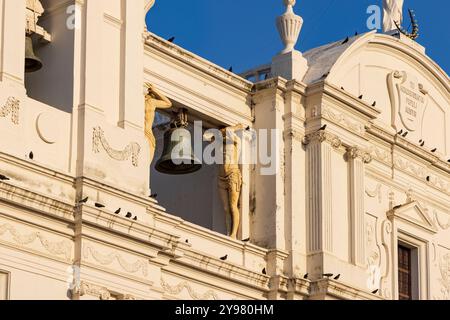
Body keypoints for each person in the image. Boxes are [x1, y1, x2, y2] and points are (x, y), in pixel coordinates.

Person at [218, 124, 246, 239]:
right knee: (226, 208)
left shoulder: (234, 140)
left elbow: (230, 130)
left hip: (232, 174)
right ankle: (228, 232)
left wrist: (235, 127)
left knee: (233, 205)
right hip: (221, 177)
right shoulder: (220, 144)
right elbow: (207, 136)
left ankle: (233, 234)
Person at [144, 83, 172, 163]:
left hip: (146, 134)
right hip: (147, 133)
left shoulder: (150, 102)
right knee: (145, 164)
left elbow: (168, 104)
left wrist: (154, 91)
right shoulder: (151, 102)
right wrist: (155, 91)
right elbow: (168, 103)